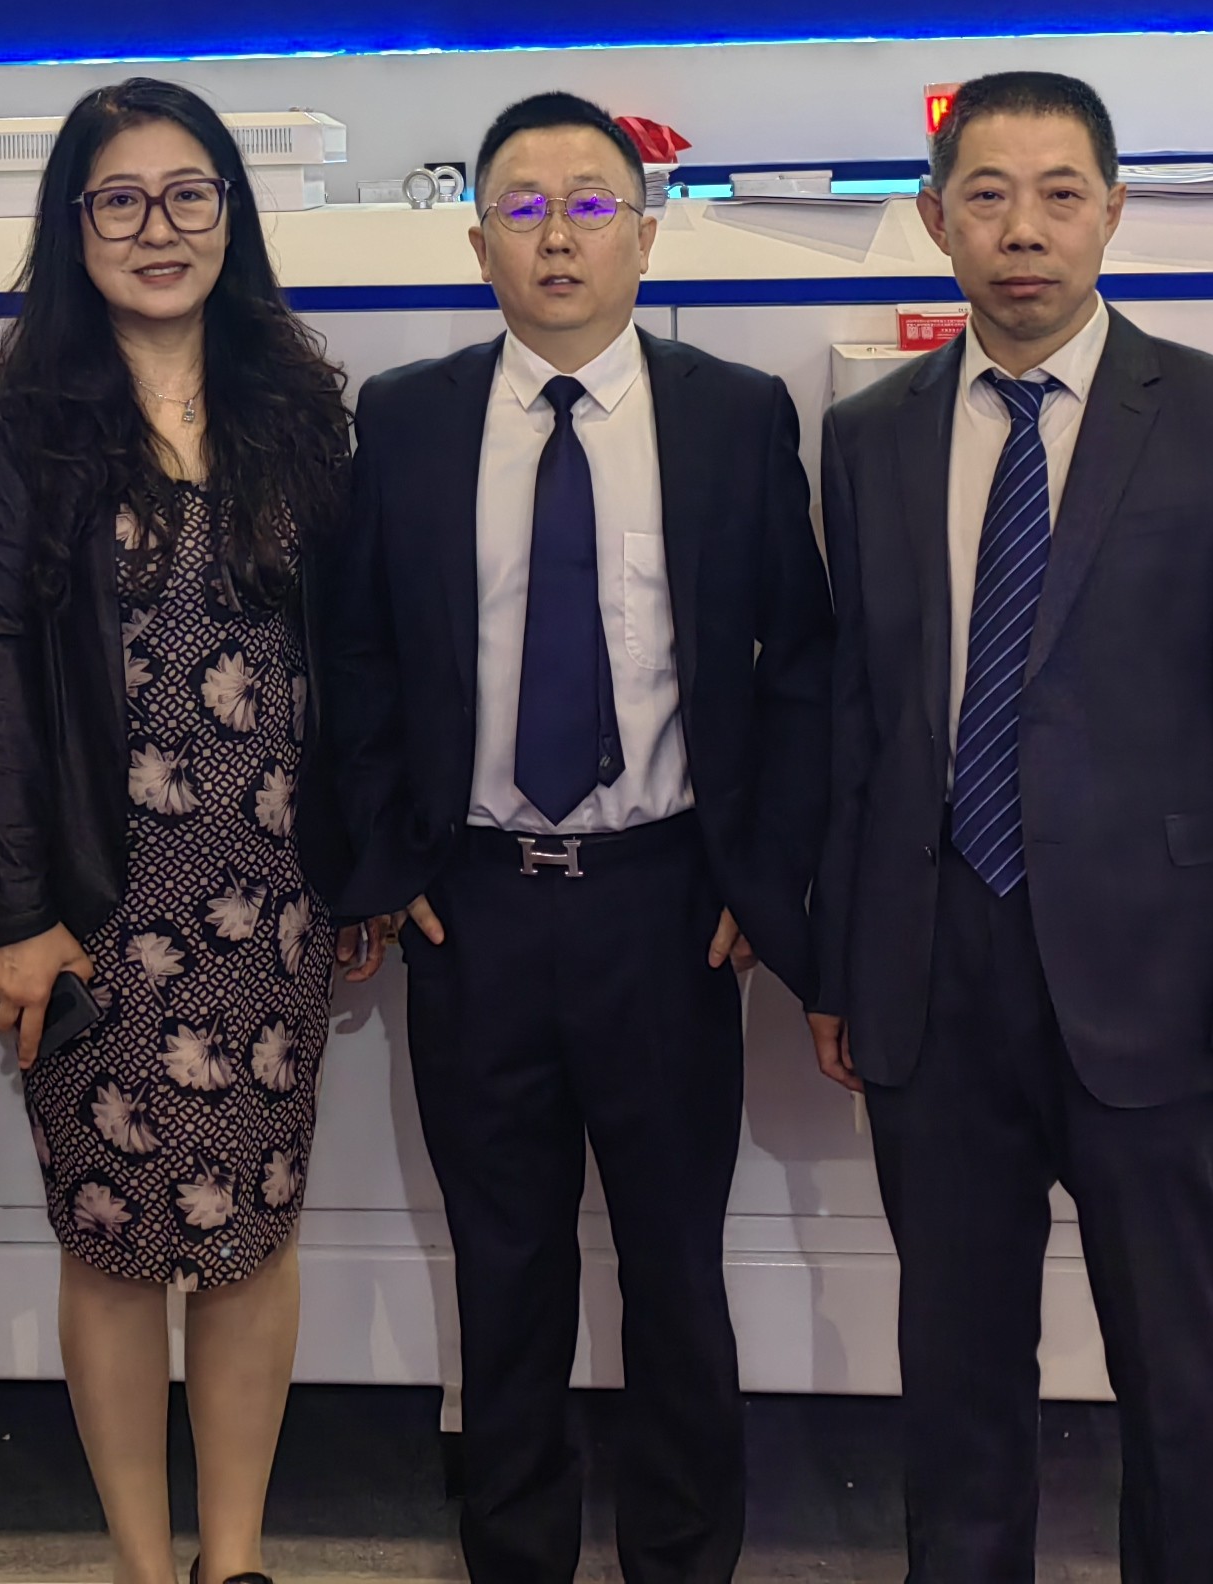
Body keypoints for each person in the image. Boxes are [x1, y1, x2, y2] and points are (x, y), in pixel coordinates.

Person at [813, 70, 1213, 1584]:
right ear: (936, 221)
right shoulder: (873, 436)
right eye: (986, 196)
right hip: (936, 974)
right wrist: (844, 967)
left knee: (1175, 1367)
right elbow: (861, 723)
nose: (1023, 230)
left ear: (1113, 211)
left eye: (1058, 195)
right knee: (956, 1371)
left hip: (1154, 984)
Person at [325, 92, 831, 1584]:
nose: (560, 237)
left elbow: (801, 664)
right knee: (505, 1271)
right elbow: (356, 654)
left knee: (675, 1268)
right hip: (476, 910)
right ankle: (517, 1555)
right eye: (526, 208)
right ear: (478, 240)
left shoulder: (733, 415)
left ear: (645, 233)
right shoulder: (405, 420)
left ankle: (683, 1558)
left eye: (593, 205)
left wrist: (760, 874)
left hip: (665, 908)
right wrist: (392, 859)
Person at [0, 79, 374, 1584]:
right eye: (121, 199)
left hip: (270, 902)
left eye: (189, 194)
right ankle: (145, 1562)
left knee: (256, 1230)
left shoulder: (296, 406)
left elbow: (354, 655)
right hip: (99, 905)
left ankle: (233, 1558)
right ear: (74, 226)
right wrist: (15, 912)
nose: (159, 228)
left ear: (231, 215)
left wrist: (357, 864)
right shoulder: (23, 422)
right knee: (114, 1238)